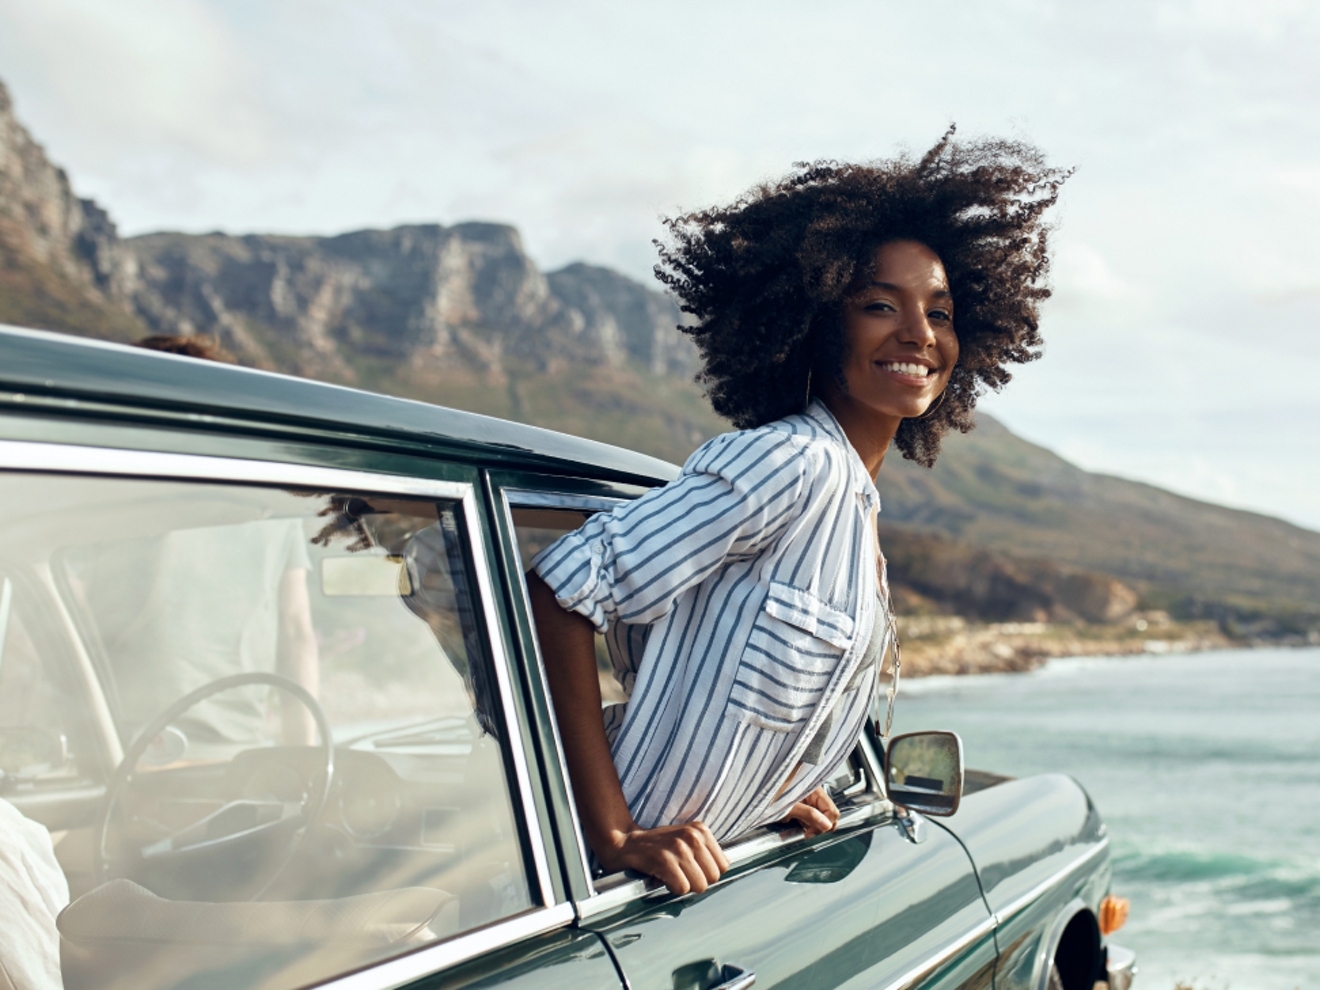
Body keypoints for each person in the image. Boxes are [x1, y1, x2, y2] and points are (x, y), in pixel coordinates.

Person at [528, 130, 1066, 895]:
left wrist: (777, 785)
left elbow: (725, 675)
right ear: (816, 319)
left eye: (940, 313)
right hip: (600, 896)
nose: (918, 332)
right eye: (880, 305)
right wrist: (614, 832)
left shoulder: (853, 504)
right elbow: (560, 589)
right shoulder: (794, 463)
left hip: (689, 887)